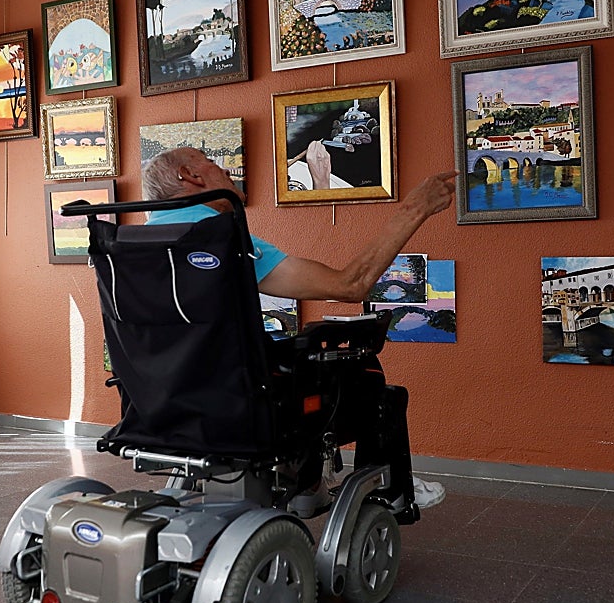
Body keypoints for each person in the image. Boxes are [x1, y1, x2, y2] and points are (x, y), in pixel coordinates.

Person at [141, 147, 455, 511]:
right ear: (190, 176)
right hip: (235, 401)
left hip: (157, 399)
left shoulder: (130, 243)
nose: (227, 170)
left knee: (283, 360)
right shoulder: (217, 236)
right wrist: (413, 210)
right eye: (214, 165)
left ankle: (308, 477)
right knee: (365, 369)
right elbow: (350, 286)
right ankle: (384, 490)